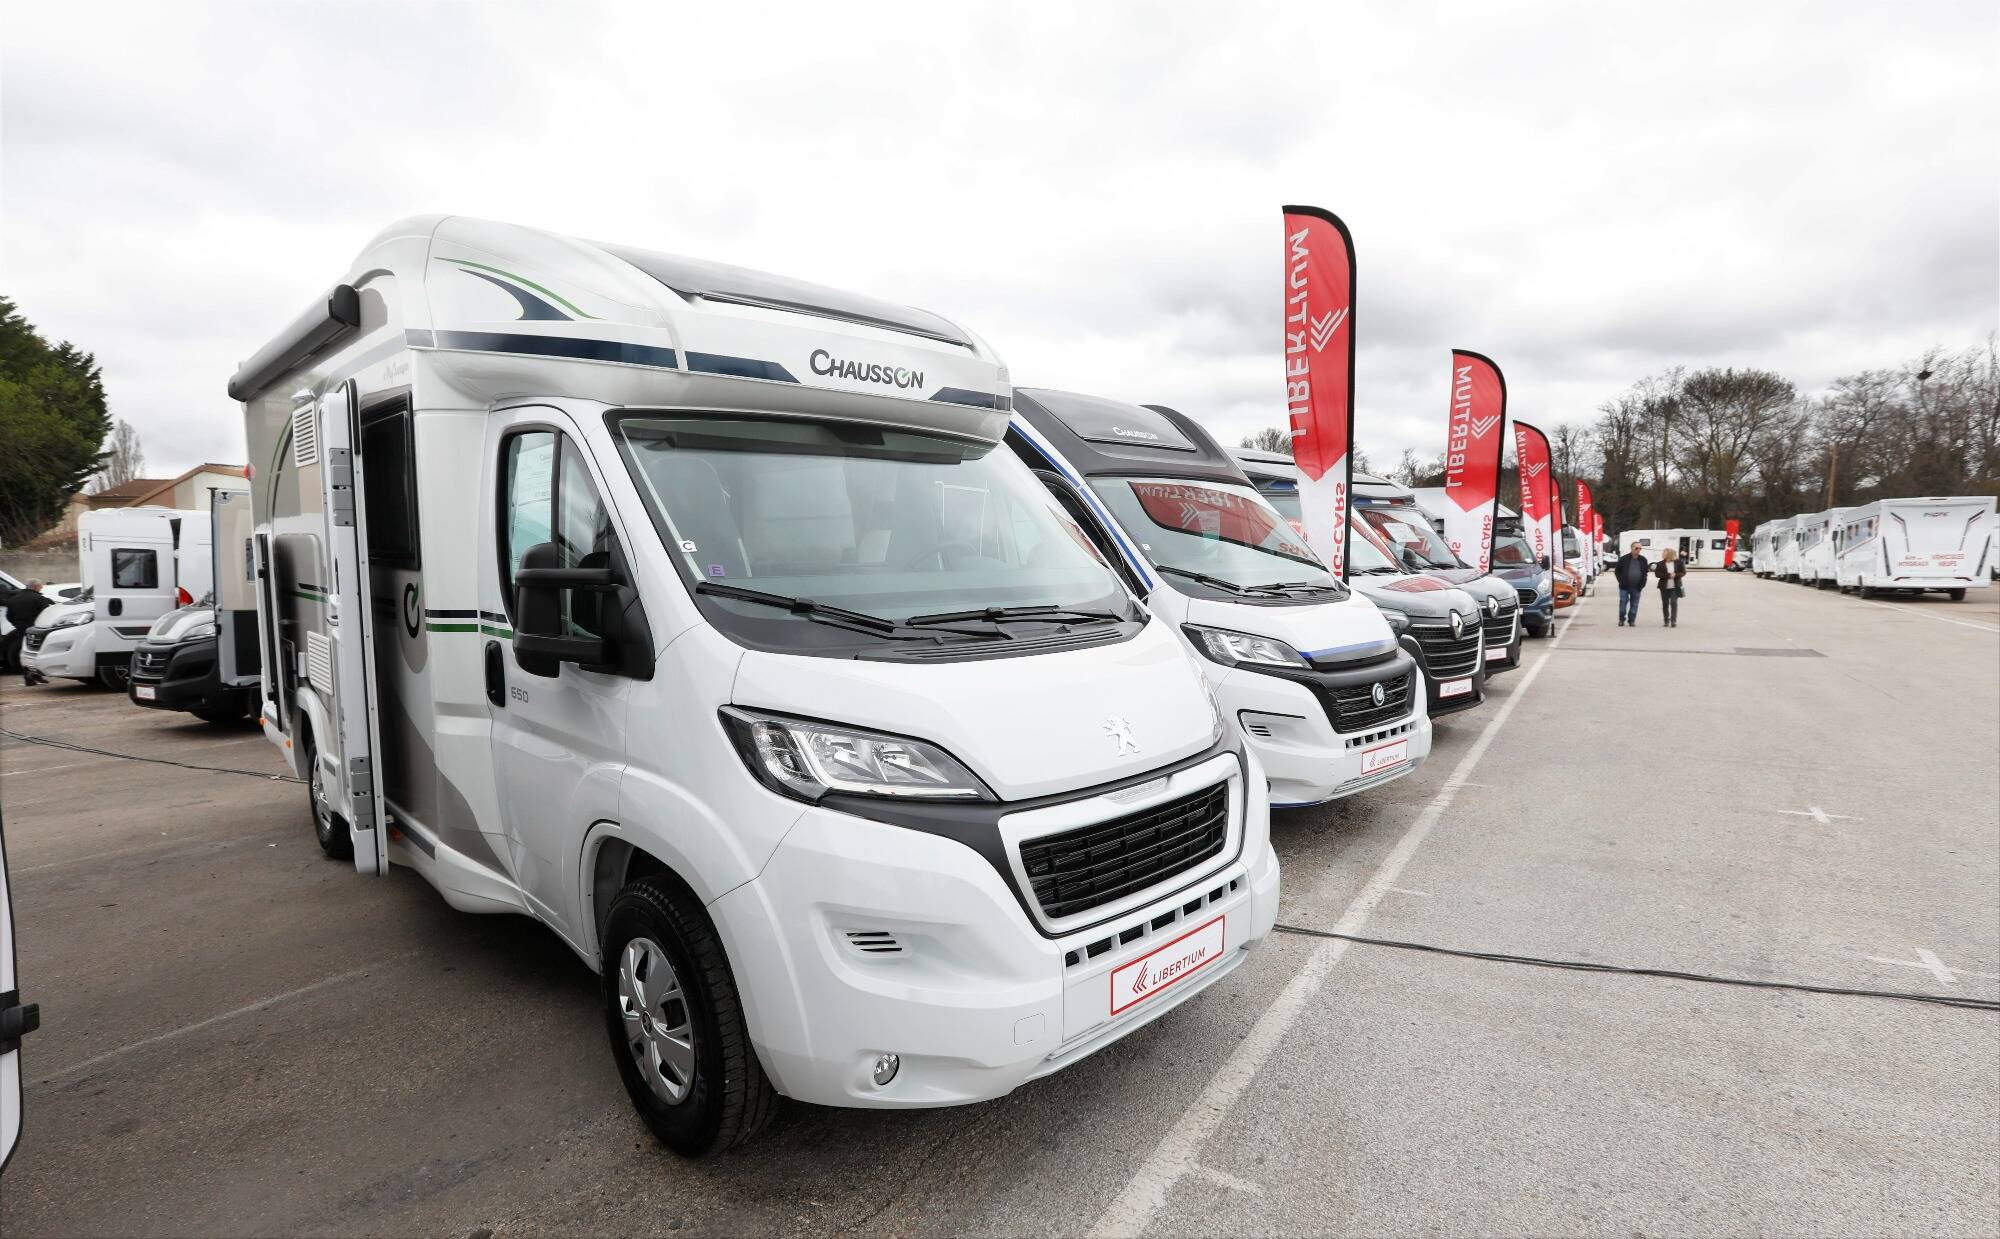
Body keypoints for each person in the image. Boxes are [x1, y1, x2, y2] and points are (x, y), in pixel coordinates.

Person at [3, 579, 54, 679]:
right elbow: (47, 614)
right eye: (40, 586)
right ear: (34, 587)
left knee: (26, 653)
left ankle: (29, 675)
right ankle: (34, 675)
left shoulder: (14, 599)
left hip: (21, 629)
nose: (41, 587)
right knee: (36, 653)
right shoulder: (38, 598)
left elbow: (9, 616)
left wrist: (17, 625)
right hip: (36, 630)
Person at [1613, 542, 1649, 626]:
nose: (1638, 550)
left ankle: (1631, 620)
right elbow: (1617, 571)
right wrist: (1621, 581)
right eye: (1636, 548)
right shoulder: (1624, 559)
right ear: (1632, 548)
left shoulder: (1643, 559)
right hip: (1624, 586)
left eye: (1640, 548)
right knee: (1623, 604)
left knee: (1634, 605)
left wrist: (1643, 583)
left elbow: (1645, 573)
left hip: (1637, 587)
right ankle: (1621, 619)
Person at [1654, 547, 1686, 627]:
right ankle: (1666, 620)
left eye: (1664, 553)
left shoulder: (1678, 562)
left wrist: (1676, 574)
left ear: (1669, 554)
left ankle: (1673, 621)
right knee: (1665, 604)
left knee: (1673, 602)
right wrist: (1668, 575)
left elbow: (1683, 572)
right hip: (1664, 587)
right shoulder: (1660, 563)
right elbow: (1657, 574)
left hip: (1675, 587)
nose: (1663, 554)